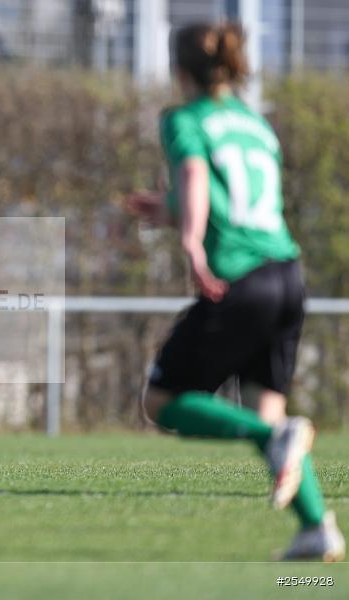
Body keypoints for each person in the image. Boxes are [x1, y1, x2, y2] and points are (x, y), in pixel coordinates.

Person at [126, 22, 345, 561]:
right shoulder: (254, 122)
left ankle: (278, 439)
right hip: (287, 273)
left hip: (241, 277)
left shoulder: (183, 118)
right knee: (267, 417)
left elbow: (198, 177)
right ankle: (317, 528)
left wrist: (192, 242)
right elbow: (241, 194)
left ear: (179, 73)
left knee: (162, 402)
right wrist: (172, 208)